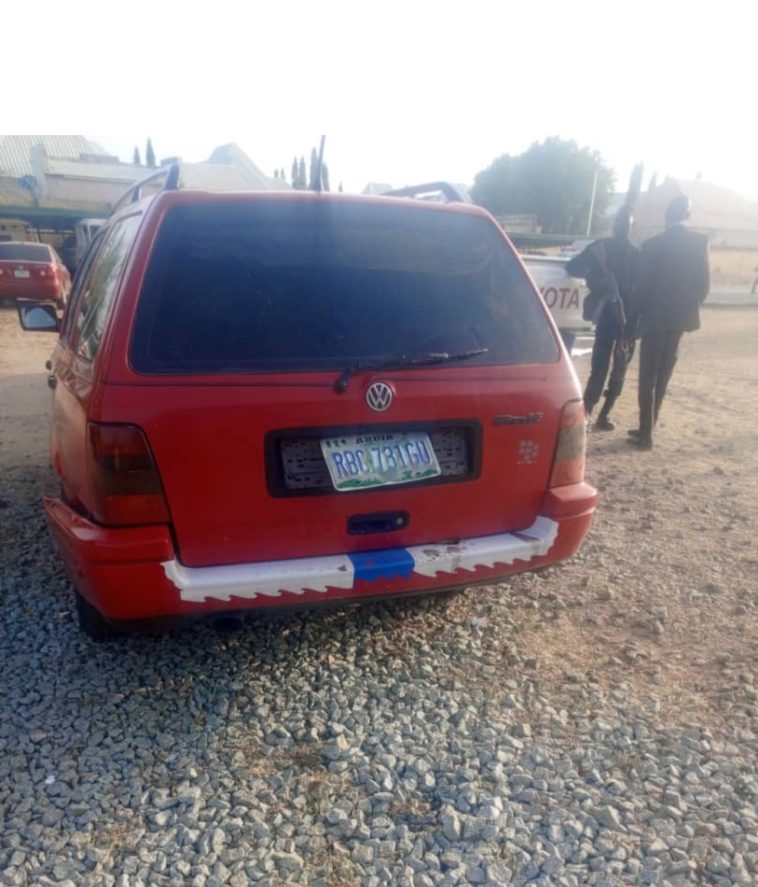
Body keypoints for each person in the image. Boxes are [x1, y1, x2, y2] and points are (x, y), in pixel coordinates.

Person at [628, 195, 710, 450]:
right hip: (679, 321)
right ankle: (649, 426)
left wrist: (633, 321)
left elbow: (642, 288)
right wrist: (687, 306)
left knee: (648, 377)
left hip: (654, 319)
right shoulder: (699, 242)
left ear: (667, 215)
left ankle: (645, 433)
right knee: (663, 376)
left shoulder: (653, 244)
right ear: (686, 215)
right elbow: (703, 286)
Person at [566, 207, 639, 430]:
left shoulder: (636, 254)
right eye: (620, 221)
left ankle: (600, 414)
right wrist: (599, 282)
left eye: (625, 222)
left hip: (626, 317)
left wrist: (596, 279)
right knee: (604, 365)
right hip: (610, 315)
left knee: (617, 367)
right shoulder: (603, 249)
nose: (623, 226)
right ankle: (590, 412)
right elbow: (573, 267)